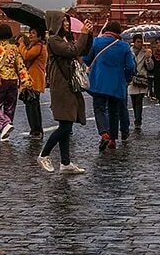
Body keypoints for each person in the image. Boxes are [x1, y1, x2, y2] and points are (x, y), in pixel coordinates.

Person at [39, 10, 92, 174]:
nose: (67, 24)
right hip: (61, 86)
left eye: (68, 21)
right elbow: (72, 52)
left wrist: (89, 35)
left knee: (66, 124)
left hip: (69, 85)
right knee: (65, 125)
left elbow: (83, 51)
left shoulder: (65, 38)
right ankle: (44, 154)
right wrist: (82, 35)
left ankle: (65, 162)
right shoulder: (54, 40)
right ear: (56, 23)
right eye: (64, 21)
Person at [84, 21, 135, 151]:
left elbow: (87, 59)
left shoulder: (96, 42)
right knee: (114, 111)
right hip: (117, 84)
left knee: (99, 108)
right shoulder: (124, 46)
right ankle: (112, 139)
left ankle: (104, 133)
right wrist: (126, 78)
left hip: (99, 82)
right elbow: (130, 66)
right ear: (119, 33)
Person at [20, 29, 48, 138]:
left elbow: (26, 56)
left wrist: (21, 44)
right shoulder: (34, 46)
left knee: (32, 106)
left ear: (40, 37)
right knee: (31, 105)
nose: (30, 35)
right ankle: (35, 130)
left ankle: (36, 131)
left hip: (34, 80)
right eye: (30, 32)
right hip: (31, 80)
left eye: (34, 33)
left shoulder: (38, 47)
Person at [127, 34, 153, 136]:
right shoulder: (128, 52)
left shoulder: (145, 52)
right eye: (138, 41)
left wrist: (148, 58)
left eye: (141, 41)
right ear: (134, 42)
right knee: (134, 101)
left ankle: (138, 121)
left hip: (142, 80)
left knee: (139, 101)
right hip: (132, 80)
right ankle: (137, 118)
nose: (140, 43)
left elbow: (150, 68)